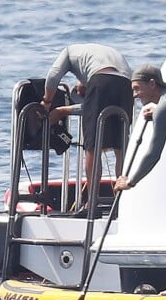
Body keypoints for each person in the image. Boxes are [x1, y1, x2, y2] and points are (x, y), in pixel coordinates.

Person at [115, 64, 166, 296]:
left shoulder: (164, 108)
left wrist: (130, 181)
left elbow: (153, 154)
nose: (135, 95)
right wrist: (160, 112)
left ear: (152, 83)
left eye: (137, 88)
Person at [42, 44, 133, 204]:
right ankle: (122, 201)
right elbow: (89, 108)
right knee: (121, 146)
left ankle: (92, 202)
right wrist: (64, 110)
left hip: (101, 81)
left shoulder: (69, 51)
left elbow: (54, 76)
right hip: (127, 85)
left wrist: (47, 102)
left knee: (92, 146)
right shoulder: (98, 54)